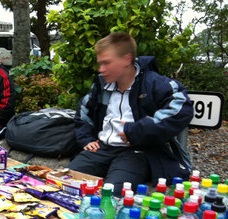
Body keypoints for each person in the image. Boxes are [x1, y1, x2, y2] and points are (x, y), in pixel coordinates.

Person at [69, 32, 193, 196]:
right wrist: (87, 138)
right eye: (100, 64)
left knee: (112, 193)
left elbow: (182, 107)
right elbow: (83, 111)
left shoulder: (154, 83)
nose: (101, 69)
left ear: (126, 59)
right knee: (67, 182)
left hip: (137, 152)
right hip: (103, 148)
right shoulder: (101, 84)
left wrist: (138, 130)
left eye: (106, 63)